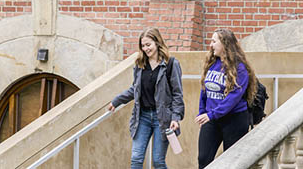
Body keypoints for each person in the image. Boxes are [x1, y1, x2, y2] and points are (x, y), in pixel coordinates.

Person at [108, 28, 185, 169]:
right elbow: (135, 89)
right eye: (143, 46)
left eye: (148, 45)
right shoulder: (140, 64)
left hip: (162, 118)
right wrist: (117, 100)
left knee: (158, 161)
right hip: (142, 116)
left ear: (157, 42)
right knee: (136, 159)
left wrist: (175, 117)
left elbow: (177, 94)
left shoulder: (171, 64)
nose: (145, 48)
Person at [194, 29, 257, 168]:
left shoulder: (239, 68)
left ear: (225, 44)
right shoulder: (212, 64)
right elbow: (204, 91)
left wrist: (211, 114)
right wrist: (202, 113)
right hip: (212, 119)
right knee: (203, 159)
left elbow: (233, 98)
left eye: (214, 41)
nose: (211, 45)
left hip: (234, 120)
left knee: (232, 163)